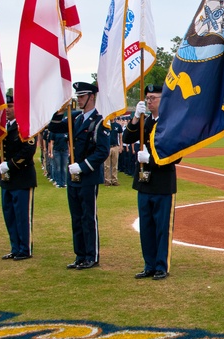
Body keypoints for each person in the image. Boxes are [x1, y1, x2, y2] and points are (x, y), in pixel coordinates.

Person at [47, 81, 110, 270]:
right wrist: (60, 109)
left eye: (82, 96)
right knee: (76, 217)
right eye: (78, 96)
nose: (79, 99)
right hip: (72, 176)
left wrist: (82, 167)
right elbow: (54, 126)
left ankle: (92, 255)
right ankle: (80, 255)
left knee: (88, 217)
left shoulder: (100, 121)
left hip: (87, 175)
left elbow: (102, 151)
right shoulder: (75, 118)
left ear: (92, 97)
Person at [123, 85, 179, 279]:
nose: (149, 101)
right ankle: (149, 265)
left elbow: (175, 156)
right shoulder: (145, 122)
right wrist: (136, 118)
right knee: (146, 226)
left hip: (163, 181)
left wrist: (151, 160)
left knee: (162, 227)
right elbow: (127, 137)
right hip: (144, 182)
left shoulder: (170, 123)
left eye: (153, 98)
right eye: (147, 98)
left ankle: (161, 266)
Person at [0, 96, 37, 260]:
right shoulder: (3, 127)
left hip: (21, 176)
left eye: (10, 106)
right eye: (6, 107)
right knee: (9, 215)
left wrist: (10, 165)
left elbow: (28, 150)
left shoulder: (25, 127)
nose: (7, 109)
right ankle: (15, 247)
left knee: (22, 215)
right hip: (7, 179)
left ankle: (25, 249)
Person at [103, 117, 124, 186]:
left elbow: (120, 137)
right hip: (107, 147)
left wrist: (121, 146)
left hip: (115, 146)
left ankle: (114, 180)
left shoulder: (118, 126)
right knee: (107, 165)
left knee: (115, 164)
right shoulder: (106, 125)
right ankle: (107, 180)